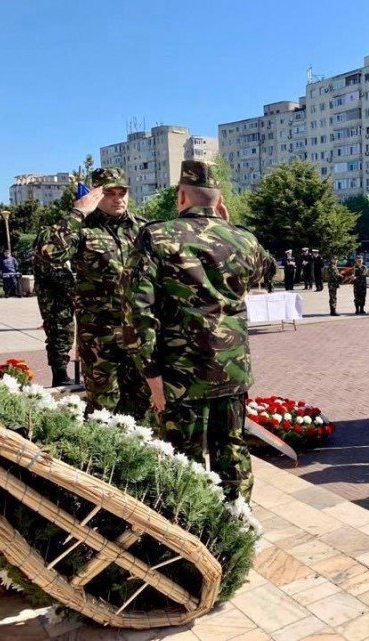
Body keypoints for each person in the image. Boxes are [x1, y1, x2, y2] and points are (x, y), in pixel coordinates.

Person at [121, 160, 268, 500]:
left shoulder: (156, 236)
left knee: (183, 464)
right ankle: (238, 522)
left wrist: (151, 375)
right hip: (232, 369)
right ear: (219, 200)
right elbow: (265, 271)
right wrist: (228, 227)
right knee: (232, 451)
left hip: (181, 374)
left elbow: (137, 310)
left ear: (181, 197)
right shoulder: (244, 239)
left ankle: (189, 529)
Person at [38, 167, 149, 417]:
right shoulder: (82, 229)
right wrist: (78, 212)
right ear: (96, 195)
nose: (118, 199)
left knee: (142, 403)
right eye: (110, 193)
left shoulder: (143, 229)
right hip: (100, 335)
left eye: (122, 192)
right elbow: (49, 252)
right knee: (103, 407)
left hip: (138, 331)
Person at [33, 228, 75, 386]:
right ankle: (60, 376)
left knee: (58, 336)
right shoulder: (50, 258)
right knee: (61, 336)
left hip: (54, 303)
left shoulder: (44, 256)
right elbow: (62, 279)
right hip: (57, 304)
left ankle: (60, 375)